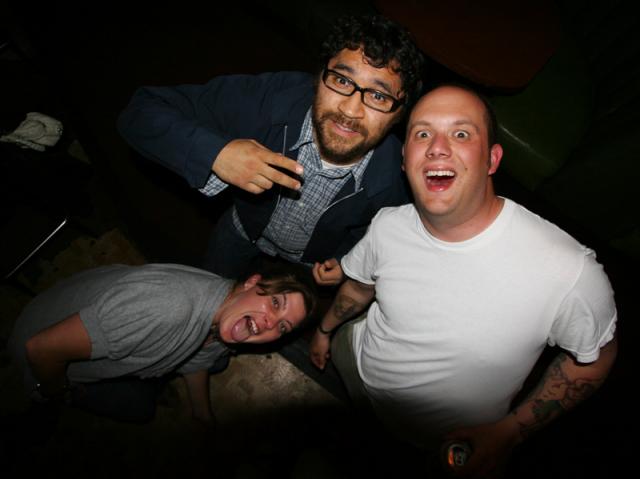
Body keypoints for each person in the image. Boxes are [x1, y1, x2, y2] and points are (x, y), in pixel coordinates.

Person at [309, 84, 618, 477]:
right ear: (405, 160)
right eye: (422, 133)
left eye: (460, 133)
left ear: (492, 159)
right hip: (355, 367)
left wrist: (510, 432)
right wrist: (325, 332)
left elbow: (595, 360)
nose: (437, 148)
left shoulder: (568, 271)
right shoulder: (388, 225)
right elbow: (357, 289)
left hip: (440, 442)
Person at [116, 14, 424, 285]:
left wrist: (346, 261)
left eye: (379, 97)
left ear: (399, 115)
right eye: (342, 80)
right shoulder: (269, 100)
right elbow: (141, 112)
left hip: (309, 263)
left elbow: (378, 233)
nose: (350, 109)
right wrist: (217, 153)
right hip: (242, 228)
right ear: (318, 77)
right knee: (210, 296)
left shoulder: (399, 180)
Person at [8, 262, 316, 424]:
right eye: (276, 303)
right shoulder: (168, 307)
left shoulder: (229, 306)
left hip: (90, 328)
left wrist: (202, 415)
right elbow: (40, 349)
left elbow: (200, 357)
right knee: (139, 409)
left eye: (283, 326)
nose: (270, 323)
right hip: (36, 355)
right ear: (252, 282)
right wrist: (55, 392)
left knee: (218, 361)